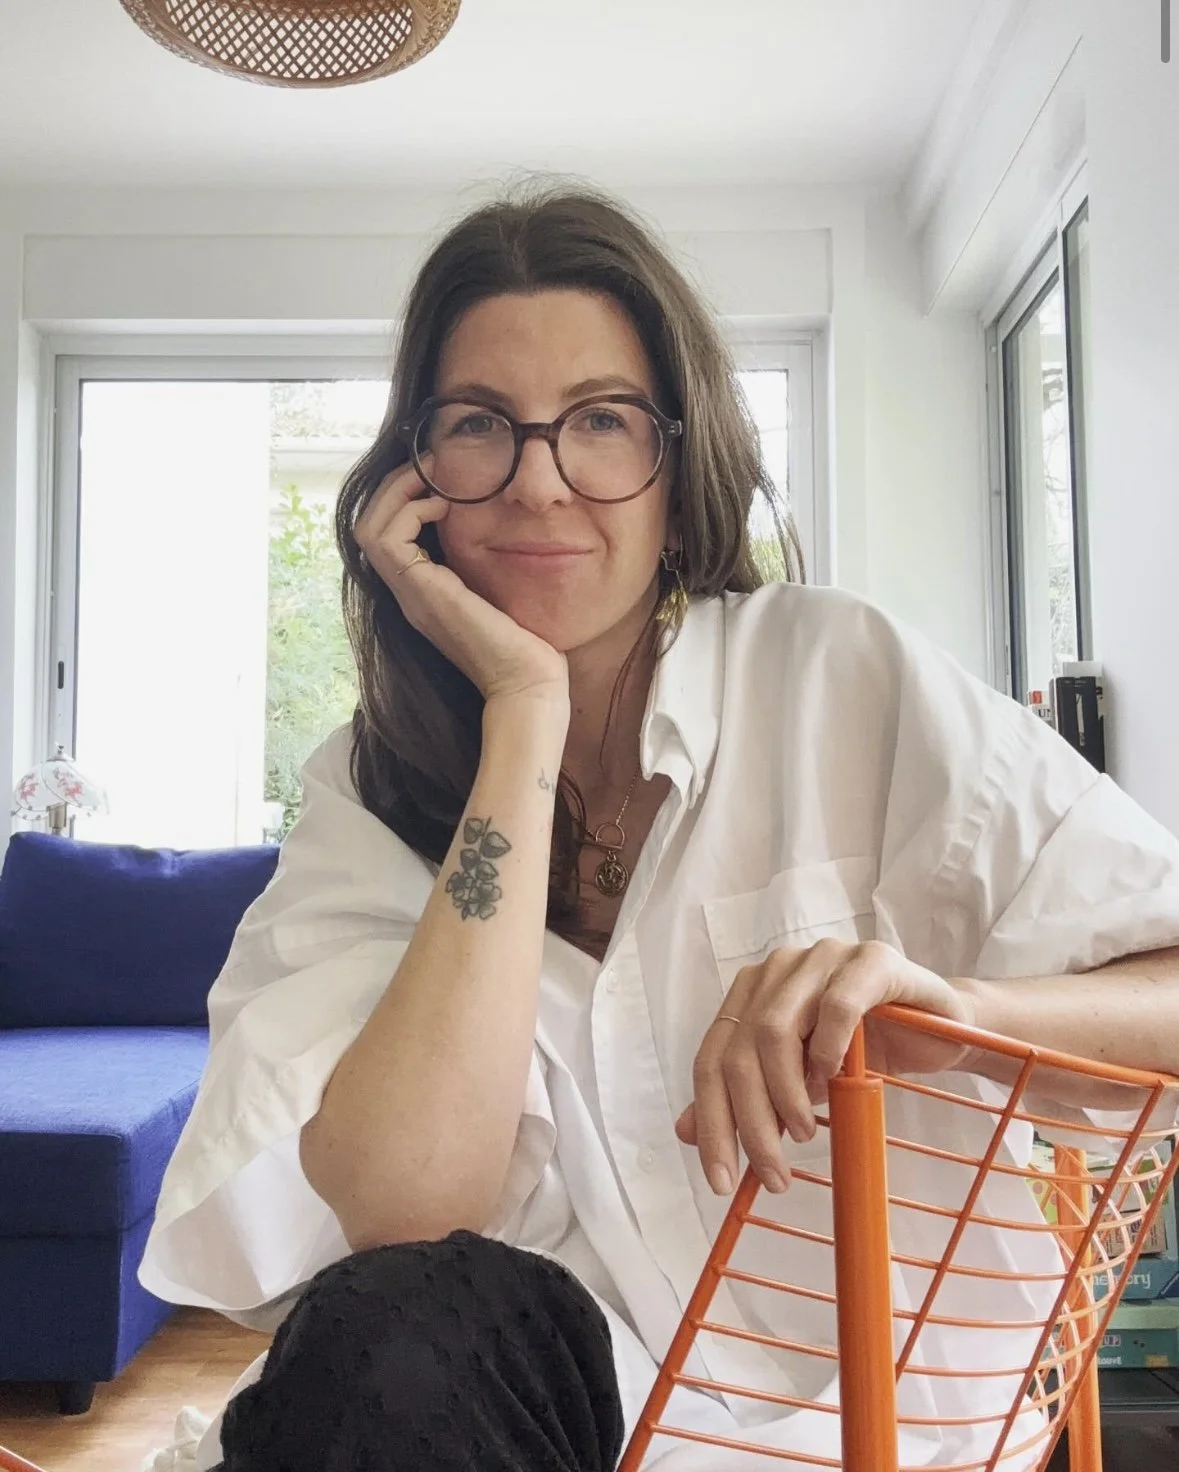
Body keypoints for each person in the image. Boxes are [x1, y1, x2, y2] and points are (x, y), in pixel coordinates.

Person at [138, 180, 1179, 1472]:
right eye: (479, 427)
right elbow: (406, 1208)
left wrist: (956, 1016)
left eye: (600, 423)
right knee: (380, 1329)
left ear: (679, 482)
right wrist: (525, 710)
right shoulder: (371, 786)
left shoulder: (832, 674)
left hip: (880, 1427)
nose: (538, 483)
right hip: (553, 1428)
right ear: (417, 484)